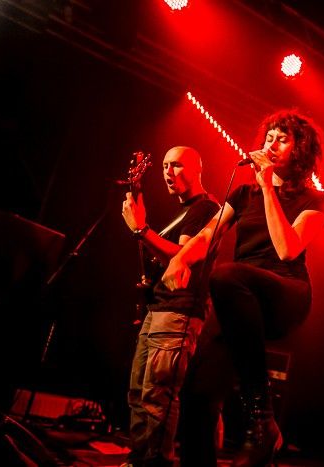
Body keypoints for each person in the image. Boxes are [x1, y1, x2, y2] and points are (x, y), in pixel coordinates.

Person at [162, 110, 324, 466]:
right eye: (269, 138)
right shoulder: (242, 194)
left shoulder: (316, 199)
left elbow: (287, 249)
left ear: (300, 150)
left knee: (226, 275)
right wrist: (181, 259)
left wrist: (268, 187)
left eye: (282, 139)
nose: (271, 145)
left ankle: (261, 417)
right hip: (238, 295)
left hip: (284, 292)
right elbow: (207, 234)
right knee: (197, 393)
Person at [120, 146, 220, 467]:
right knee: (139, 393)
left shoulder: (206, 208)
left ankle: (155, 462)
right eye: (164, 166)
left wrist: (142, 230)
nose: (167, 172)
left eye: (176, 165)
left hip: (179, 310)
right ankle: (139, 459)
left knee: (157, 395)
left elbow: (180, 256)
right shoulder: (181, 212)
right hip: (158, 308)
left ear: (198, 169)